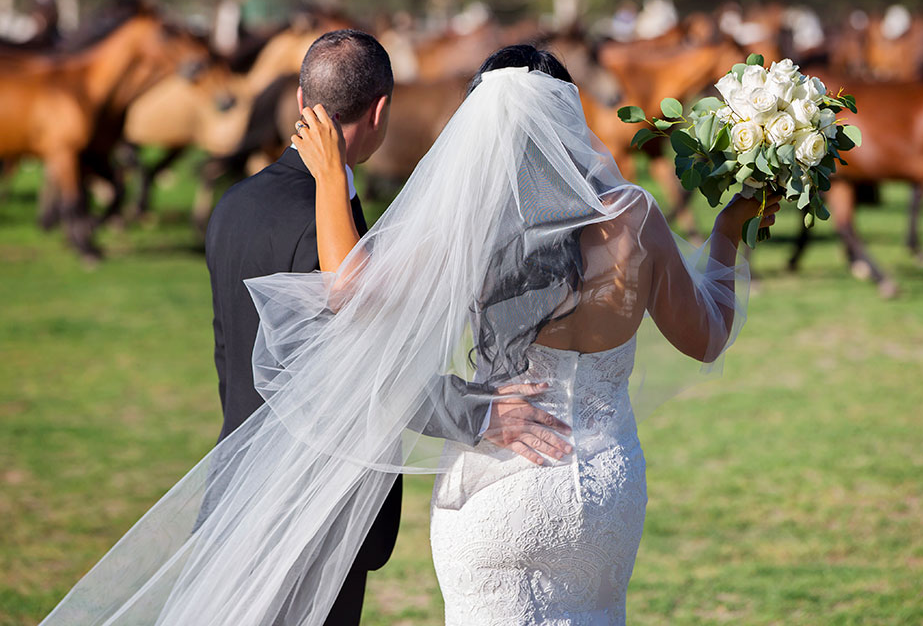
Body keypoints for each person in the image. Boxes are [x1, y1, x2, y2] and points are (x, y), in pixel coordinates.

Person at [39, 43, 776, 626]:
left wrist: (332, 177)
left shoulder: (471, 221)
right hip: (603, 493)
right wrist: (726, 234)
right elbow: (707, 337)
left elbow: (350, 291)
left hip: (497, 487)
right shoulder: (636, 217)